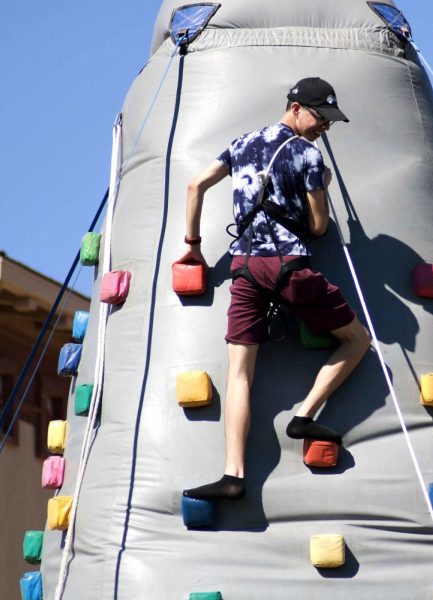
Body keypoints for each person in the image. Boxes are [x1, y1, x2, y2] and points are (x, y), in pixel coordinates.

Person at [179, 77, 370, 501]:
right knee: (358, 340)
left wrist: (193, 248)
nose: (326, 127)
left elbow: (195, 185)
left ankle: (233, 475)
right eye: (322, 117)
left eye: (330, 121)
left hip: (244, 268)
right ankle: (304, 415)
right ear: (296, 107)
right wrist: (322, 189)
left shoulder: (243, 143)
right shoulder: (307, 155)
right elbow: (318, 228)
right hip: (287, 266)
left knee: (239, 374)